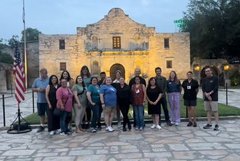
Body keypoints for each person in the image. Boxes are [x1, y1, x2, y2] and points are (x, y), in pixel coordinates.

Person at [32, 68, 49, 132]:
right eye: (41, 73)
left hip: (48, 100)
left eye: (44, 73)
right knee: (41, 114)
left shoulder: (49, 79)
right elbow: (33, 88)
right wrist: (38, 89)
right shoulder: (37, 80)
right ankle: (42, 126)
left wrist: (45, 90)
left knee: (49, 114)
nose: (42, 75)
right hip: (40, 100)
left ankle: (50, 125)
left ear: (46, 73)